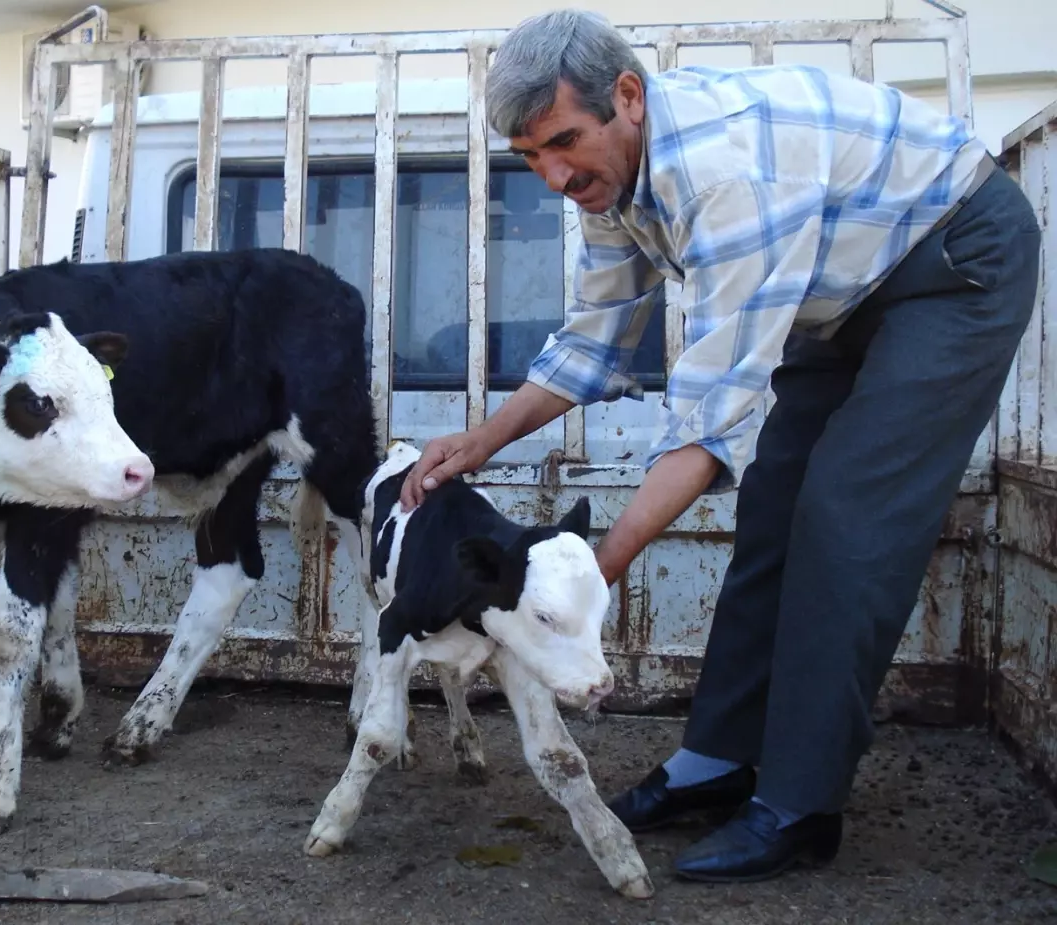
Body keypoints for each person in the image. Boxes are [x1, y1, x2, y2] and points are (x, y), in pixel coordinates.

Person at [397, 8, 1040, 884]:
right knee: (773, 506)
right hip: (840, 286)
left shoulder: (720, 173)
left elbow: (710, 415)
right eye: (530, 156)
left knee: (847, 516)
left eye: (563, 143)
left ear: (627, 95)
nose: (552, 175)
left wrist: (593, 569)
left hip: (953, 260)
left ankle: (802, 804)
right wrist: (482, 439)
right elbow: (596, 338)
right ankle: (718, 761)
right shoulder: (612, 178)